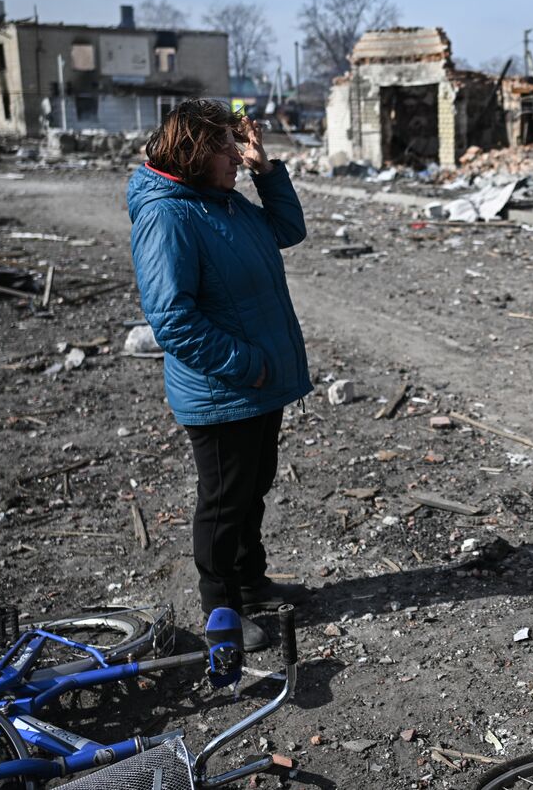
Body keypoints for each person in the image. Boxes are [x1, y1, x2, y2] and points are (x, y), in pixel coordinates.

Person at [128, 100, 314, 652]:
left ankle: (251, 582)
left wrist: (266, 170)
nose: (236, 154)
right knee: (223, 500)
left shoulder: (224, 203)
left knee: (253, 487)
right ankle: (222, 612)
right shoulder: (168, 215)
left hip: (257, 385)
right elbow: (172, 320)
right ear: (192, 153)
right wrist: (248, 366)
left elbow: (288, 227)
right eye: (225, 147)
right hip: (224, 389)